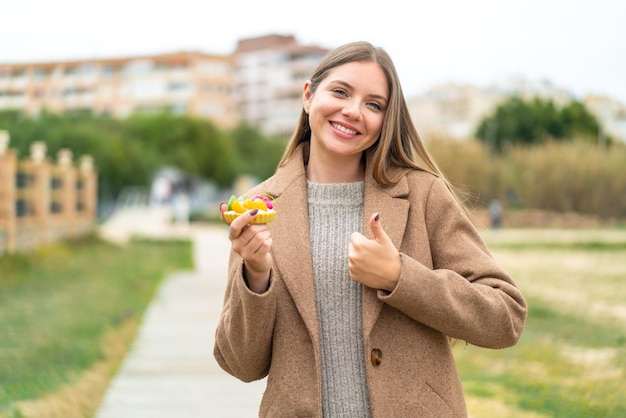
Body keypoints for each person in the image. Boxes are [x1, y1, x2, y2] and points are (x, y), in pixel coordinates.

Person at [214, 41, 527, 417]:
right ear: (308, 96)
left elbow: (505, 318)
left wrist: (400, 276)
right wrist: (257, 275)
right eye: (340, 92)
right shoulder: (259, 207)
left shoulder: (423, 194)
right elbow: (241, 364)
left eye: (373, 104)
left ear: (386, 120)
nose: (353, 111)